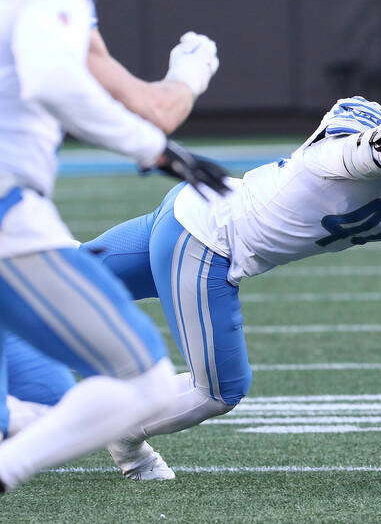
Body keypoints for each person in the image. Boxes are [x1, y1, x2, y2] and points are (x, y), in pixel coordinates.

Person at [63, 67, 381, 479]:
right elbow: (372, 153)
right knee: (217, 391)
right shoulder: (358, 121)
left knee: (60, 285)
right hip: (205, 243)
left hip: (190, 214)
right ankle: (120, 432)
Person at [0, 0, 228, 492]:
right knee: (141, 383)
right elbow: (55, 78)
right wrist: (158, 145)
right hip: (7, 212)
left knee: (43, 405)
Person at [3, 28, 220, 478]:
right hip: (12, 221)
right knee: (144, 381)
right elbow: (154, 109)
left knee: (50, 412)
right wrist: (189, 75)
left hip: (18, 226)